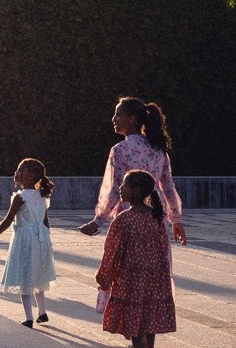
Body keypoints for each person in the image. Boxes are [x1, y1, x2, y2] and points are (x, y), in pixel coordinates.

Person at [96, 170, 177, 348]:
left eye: (124, 185)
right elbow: (163, 249)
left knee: (134, 314)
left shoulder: (124, 219)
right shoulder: (157, 218)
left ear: (137, 190)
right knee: (149, 311)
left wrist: (104, 276)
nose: (121, 189)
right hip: (155, 275)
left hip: (131, 276)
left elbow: (112, 251)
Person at [79, 96, 187, 247]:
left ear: (132, 119)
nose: (113, 119)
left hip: (129, 215)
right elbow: (169, 188)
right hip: (156, 214)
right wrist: (176, 220)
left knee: (128, 262)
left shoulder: (120, 150)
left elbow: (115, 189)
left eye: (118, 115)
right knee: (153, 260)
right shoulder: (159, 150)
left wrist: (98, 221)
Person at [0, 158, 58, 328]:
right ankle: (42, 312)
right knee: (38, 275)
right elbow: (45, 221)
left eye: (20, 171)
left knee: (25, 276)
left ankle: (28, 317)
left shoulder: (20, 197)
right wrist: (47, 241)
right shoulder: (42, 196)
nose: (16, 173)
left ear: (31, 175)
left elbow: (8, 219)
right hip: (41, 241)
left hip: (24, 241)